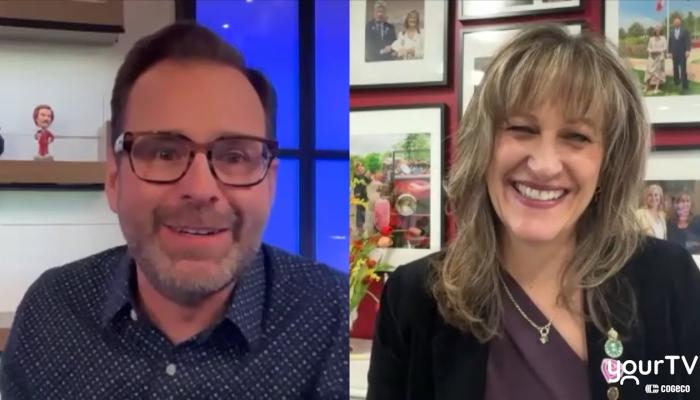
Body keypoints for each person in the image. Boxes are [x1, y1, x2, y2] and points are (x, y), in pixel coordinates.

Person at [0, 22, 347, 399]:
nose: (200, 190)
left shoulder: (332, 319)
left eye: (234, 156)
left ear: (270, 183)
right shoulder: (51, 309)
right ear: (114, 179)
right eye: (165, 153)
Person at [368, 24, 700, 399]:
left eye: (576, 137)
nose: (544, 165)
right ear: (483, 146)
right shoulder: (414, 298)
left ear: (608, 163)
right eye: (522, 128)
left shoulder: (668, 282)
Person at [668, 16, 691, 92]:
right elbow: (670, 43)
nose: (676, 23)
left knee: (683, 69)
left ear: (680, 23)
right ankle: (676, 82)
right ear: (673, 23)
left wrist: (687, 50)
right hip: (674, 53)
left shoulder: (684, 31)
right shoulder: (671, 32)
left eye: (678, 22)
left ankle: (685, 85)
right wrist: (670, 52)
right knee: (675, 68)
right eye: (675, 22)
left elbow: (688, 41)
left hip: (682, 53)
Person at [644, 26, 667, 94]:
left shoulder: (663, 38)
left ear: (660, 31)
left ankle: (656, 88)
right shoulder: (651, 39)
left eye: (658, 30)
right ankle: (646, 87)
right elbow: (648, 48)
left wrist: (659, 50)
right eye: (656, 30)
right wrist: (651, 51)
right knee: (649, 71)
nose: (657, 31)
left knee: (658, 72)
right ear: (654, 31)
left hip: (659, 57)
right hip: (652, 57)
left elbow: (665, 47)